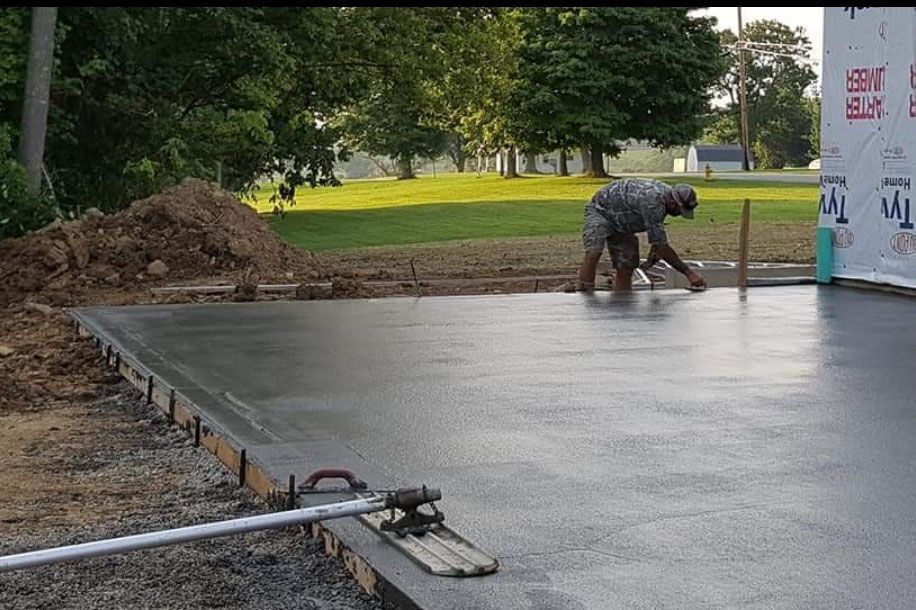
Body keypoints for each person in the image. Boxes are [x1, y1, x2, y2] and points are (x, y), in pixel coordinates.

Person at [577, 178, 707, 291]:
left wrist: (652, 258)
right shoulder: (652, 203)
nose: (679, 215)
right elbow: (662, 246)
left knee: (626, 265)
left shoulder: (666, 200)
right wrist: (689, 273)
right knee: (594, 251)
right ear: (673, 202)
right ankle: (586, 297)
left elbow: (658, 243)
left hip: (624, 222)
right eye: (680, 211)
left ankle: (622, 305)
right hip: (600, 211)